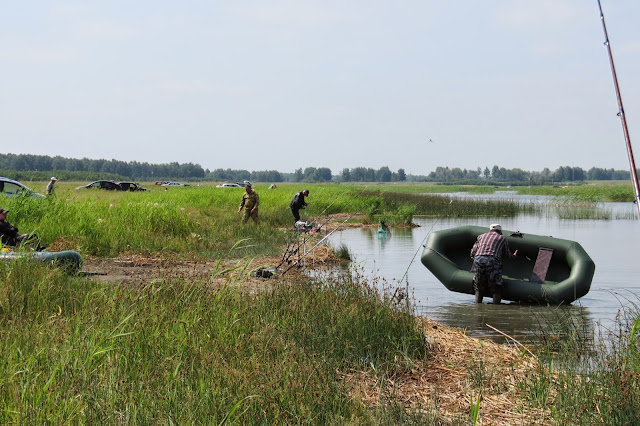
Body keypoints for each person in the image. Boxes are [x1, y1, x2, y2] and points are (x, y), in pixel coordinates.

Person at [470, 224, 517, 304]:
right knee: (496, 286)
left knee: (479, 285)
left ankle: (478, 305)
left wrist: (475, 258)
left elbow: (473, 252)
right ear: (500, 231)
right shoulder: (502, 238)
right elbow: (507, 254)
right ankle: (496, 307)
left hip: (478, 260)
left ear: (490, 230)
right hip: (492, 260)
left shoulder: (481, 236)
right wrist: (514, 256)